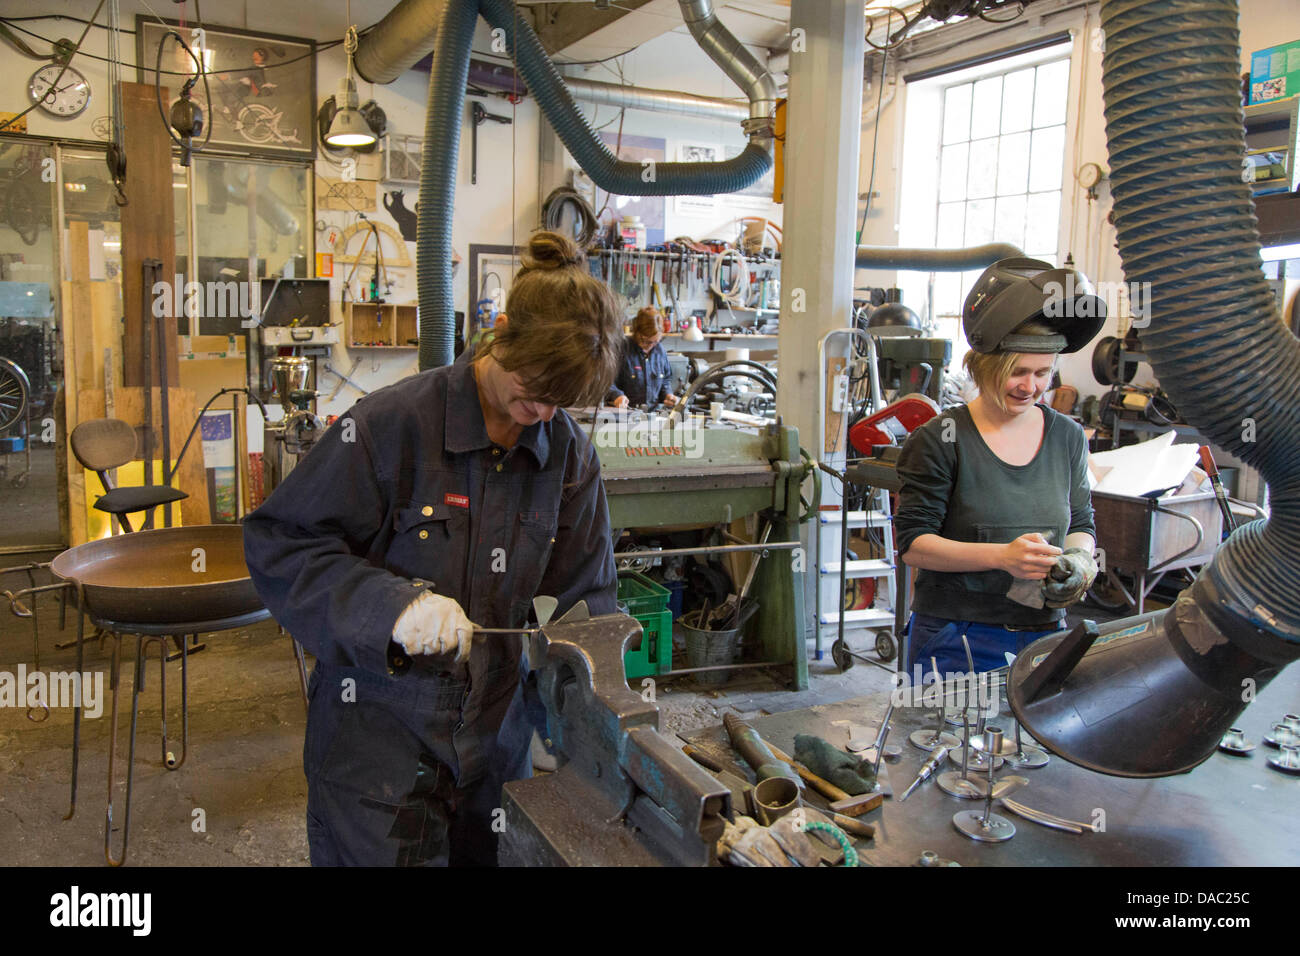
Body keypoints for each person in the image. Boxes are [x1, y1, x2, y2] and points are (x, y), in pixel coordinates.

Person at [243, 231, 622, 866]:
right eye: (534, 388)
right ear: (500, 333)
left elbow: (587, 605)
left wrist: (578, 717)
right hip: (377, 748)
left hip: (498, 748)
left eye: (559, 402)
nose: (541, 413)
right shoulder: (389, 426)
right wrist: (389, 608)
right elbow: (282, 545)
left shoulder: (568, 456)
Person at [894, 258, 1106, 677]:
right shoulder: (942, 439)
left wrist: (1081, 559)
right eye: (1019, 372)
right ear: (986, 367)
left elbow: (1081, 520)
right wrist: (1003, 557)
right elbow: (914, 545)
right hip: (956, 636)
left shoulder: (1066, 436)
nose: (1031, 387)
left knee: (1025, 743)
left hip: (1043, 632)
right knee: (937, 741)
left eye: (1043, 373)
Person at [608, 307, 678, 409]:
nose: (651, 345)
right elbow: (607, 382)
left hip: (653, 414)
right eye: (647, 341)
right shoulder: (622, 349)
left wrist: (668, 394)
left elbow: (665, 379)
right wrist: (617, 395)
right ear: (637, 332)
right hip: (626, 414)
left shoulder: (660, 350)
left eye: (655, 341)